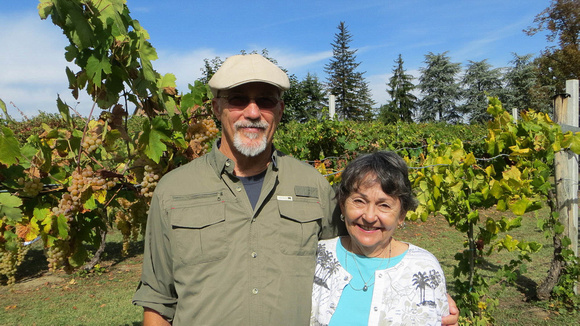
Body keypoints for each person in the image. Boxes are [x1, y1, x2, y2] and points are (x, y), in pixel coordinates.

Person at [132, 53, 459, 325]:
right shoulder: (173, 191)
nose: (253, 112)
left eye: (265, 101)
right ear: (217, 108)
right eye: (237, 100)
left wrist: (421, 288)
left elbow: (356, 251)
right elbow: (158, 301)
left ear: (280, 111)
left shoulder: (312, 185)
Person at [311, 151, 449, 325]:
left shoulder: (424, 268)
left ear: (401, 215)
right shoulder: (318, 256)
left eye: (384, 205)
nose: (369, 216)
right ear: (343, 205)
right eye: (359, 201)